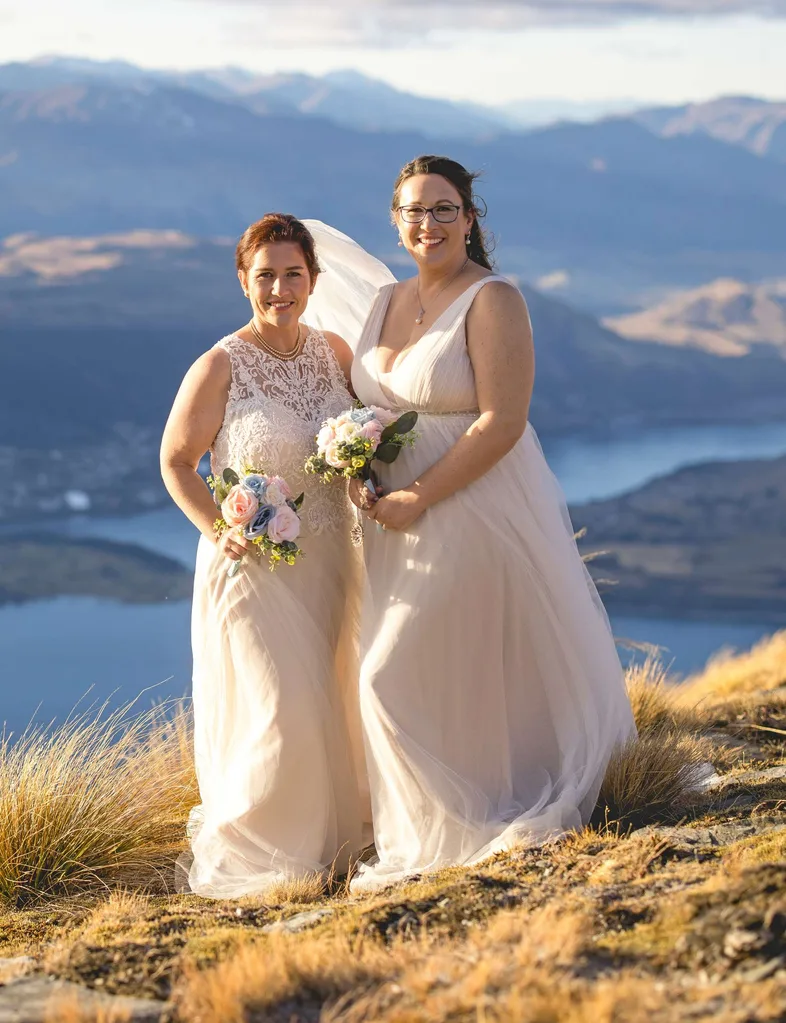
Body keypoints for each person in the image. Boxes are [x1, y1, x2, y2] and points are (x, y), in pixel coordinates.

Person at [347, 155, 636, 891]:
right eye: (414, 210)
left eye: (445, 209)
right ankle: (451, 816)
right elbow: (362, 408)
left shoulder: (494, 299)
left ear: (471, 220)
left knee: (386, 677)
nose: (428, 224)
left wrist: (421, 497)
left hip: (471, 508)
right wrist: (356, 467)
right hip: (391, 526)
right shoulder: (380, 300)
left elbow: (503, 422)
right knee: (448, 671)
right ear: (394, 220)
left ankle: (442, 838)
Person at [160, 213, 367, 897]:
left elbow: (359, 442)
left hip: (334, 563)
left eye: (293, 274)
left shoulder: (334, 351)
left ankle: (335, 848)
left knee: (333, 700)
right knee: (281, 706)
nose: (280, 288)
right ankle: (270, 858)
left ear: (314, 278)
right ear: (243, 280)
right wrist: (217, 525)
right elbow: (177, 460)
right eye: (265, 276)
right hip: (251, 566)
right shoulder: (220, 363)